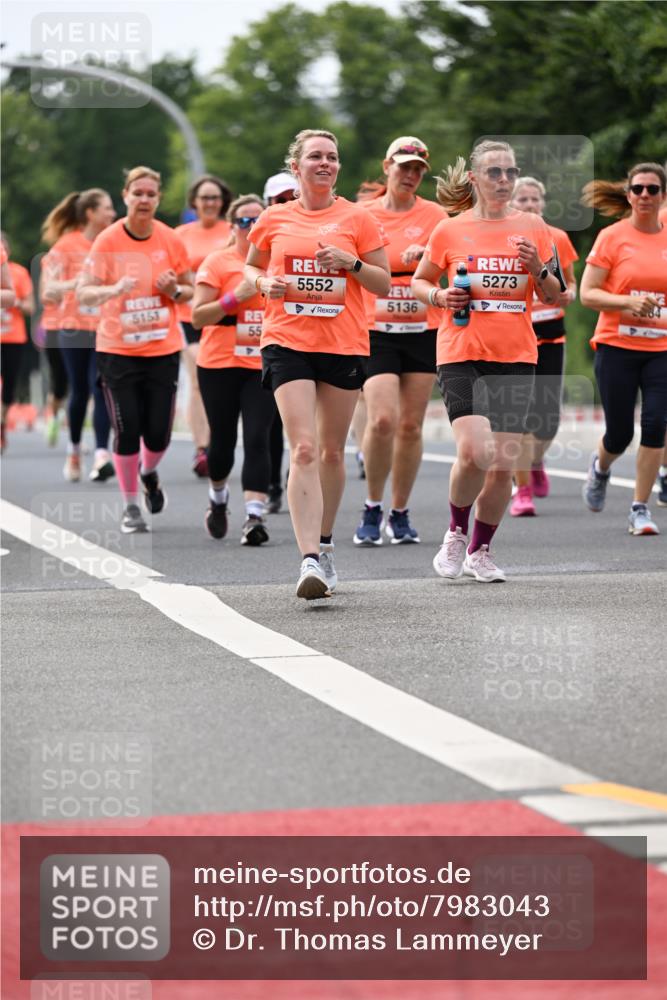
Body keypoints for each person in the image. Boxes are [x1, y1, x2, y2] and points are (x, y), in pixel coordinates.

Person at [245, 128, 390, 599]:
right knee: (303, 448)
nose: (325, 163)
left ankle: (325, 546)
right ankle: (308, 559)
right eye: (315, 156)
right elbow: (250, 266)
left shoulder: (358, 218)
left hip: (343, 343)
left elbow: (384, 284)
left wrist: (350, 264)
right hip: (286, 340)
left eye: (332, 156)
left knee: (331, 451)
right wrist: (263, 283)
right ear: (297, 166)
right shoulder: (273, 218)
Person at [412, 140, 560, 582]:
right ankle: (456, 532)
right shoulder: (450, 230)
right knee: (476, 452)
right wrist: (439, 295)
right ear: (475, 178)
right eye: (494, 173)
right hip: (461, 350)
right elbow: (421, 281)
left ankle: (481, 550)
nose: (504, 181)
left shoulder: (534, 226)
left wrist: (537, 268)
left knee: (502, 465)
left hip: (516, 354)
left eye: (510, 173)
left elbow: (555, 294)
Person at [78, 166, 193, 533]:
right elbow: (84, 291)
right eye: (137, 193)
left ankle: (148, 471)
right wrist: (111, 291)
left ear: (158, 199)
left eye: (151, 194)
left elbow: (190, 291)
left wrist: (173, 289)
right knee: (127, 429)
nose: (144, 200)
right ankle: (130, 507)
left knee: (158, 434)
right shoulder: (108, 241)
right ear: (125, 196)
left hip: (162, 348)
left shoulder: (170, 239)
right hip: (118, 350)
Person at [353, 136, 445, 546]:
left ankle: (400, 510)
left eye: (417, 170)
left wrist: (426, 253)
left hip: (423, 329)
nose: (409, 175)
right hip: (375, 329)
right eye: (403, 166)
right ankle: (372, 505)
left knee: (410, 425)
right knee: (383, 419)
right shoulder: (362, 214)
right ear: (386, 165)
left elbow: (456, 258)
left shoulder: (436, 216)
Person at [580, 162, 667, 535]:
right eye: (638, 189)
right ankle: (600, 468)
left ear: (663, 195)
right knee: (620, 434)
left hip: (661, 348)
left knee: (656, 425)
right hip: (617, 346)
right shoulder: (612, 237)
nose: (644, 195)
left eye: (652, 189)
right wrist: (626, 303)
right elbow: (587, 294)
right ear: (628, 194)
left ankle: (639, 508)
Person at [192, 194, 276, 545]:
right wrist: (235, 297)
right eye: (244, 221)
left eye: (258, 220)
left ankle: (254, 517)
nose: (252, 227)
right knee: (222, 442)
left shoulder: (278, 263)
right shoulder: (218, 262)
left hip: (262, 363)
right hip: (219, 364)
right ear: (233, 227)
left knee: (258, 437)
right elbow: (198, 316)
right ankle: (218, 499)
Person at [508, 177, 579, 516]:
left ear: (543, 204)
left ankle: (534, 461)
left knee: (547, 420)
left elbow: (571, 282)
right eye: (523, 198)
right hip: (517, 335)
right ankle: (521, 491)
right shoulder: (502, 240)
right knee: (520, 418)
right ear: (512, 202)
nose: (530, 204)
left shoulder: (558, 238)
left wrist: (569, 294)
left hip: (552, 334)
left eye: (535, 199)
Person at [41, 189, 116, 482]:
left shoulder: (112, 243)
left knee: (100, 388)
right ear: (90, 213)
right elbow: (49, 290)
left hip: (106, 328)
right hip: (73, 327)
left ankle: (100, 455)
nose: (112, 213)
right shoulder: (64, 246)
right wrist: (80, 283)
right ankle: (74, 450)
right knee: (80, 391)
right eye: (107, 208)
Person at [175, 174, 233, 478]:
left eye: (215, 197)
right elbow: (170, 277)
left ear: (223, 201)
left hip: (229, 316)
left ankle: (220, 439)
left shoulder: (234, 231)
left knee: (221, 381)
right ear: (194, 202)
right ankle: (202, 448)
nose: (210, 203)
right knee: (198, 375)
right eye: (204, 198)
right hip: (190, 317)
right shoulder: (180, 235)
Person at [262, 172, 299, 514]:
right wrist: (261, 282)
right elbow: (248, 269)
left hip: (319, 337)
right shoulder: (266, 227)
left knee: (304, 427)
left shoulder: (316, 227)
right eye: (279, 199)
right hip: (276, 337)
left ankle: (296, 473)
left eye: (293, 197)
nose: (286, 204)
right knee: (271, 418)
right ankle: (272, 482)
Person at [1, 238, 29, 452]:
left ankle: (1, 423)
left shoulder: (18, 273)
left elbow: (30, 306)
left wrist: (16, 302)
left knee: (9, 387)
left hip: (13, 337)